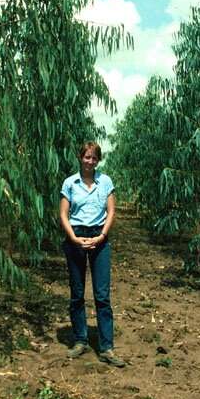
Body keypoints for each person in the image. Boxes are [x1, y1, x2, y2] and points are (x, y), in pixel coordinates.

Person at [59, 141, 125, 367]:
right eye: (86, 157)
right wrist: (74, 238)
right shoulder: (70, 183)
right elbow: (63, 214)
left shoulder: (105, 181)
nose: (90, 161)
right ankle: (80, 340)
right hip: (75, 237)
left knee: (102, 295)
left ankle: (106, 347)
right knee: (77, 293)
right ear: (80, 158)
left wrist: (102, 236)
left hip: (100, 238)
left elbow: (111, 210)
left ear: (98, 160)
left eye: (94, 158)